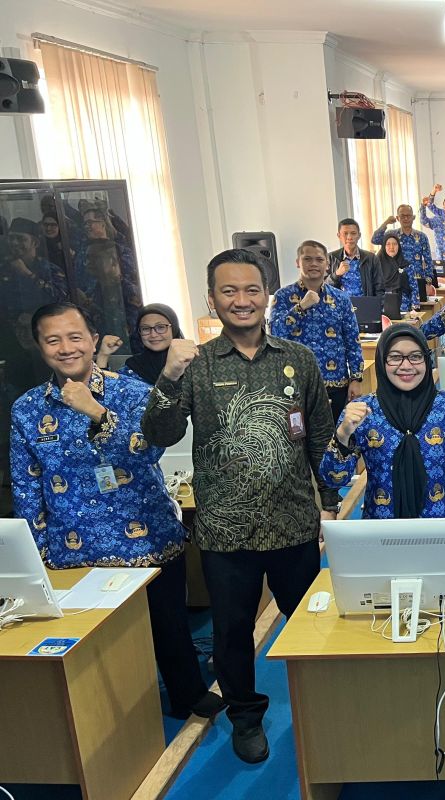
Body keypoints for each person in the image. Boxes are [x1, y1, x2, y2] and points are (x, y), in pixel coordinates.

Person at [141, 249, 339, 764]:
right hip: (226, 532)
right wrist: (168, 377)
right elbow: (160, 434)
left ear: (267, 295)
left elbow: (319, 434)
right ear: (212, 299)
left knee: (313, 619)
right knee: (231, 633)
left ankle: (325, 701)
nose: (242, 300)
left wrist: (330, 500)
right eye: (229, 291)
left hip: (293, 522)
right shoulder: (196, 364)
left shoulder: (299, 358)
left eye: (251, 289)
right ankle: (245, 716)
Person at [10, 301, 223, 721]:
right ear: (39, 346)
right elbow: (26, 486)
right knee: (100, 651)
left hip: (147, 537)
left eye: (75, 337)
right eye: (53, 340)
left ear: (93, 341)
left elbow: (148, 452)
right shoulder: (28, 409)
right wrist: (37, 554)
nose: (66, 348)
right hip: (74, 549)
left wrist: (96, 412)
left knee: (170, 627)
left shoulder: (132, 392)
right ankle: (119, 721)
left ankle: (187, 692)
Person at [321, 324, 445, 518]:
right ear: (382, 361)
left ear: (426, 360)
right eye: (395, 357)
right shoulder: (363, 411)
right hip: (382, 528)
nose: (406, 366)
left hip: (442, 525)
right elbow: (334, 480)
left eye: (415, 356)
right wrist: (342, 435)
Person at [269, 240, 364, 423]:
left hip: (335, 382)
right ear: (298, 262)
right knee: (299, 435)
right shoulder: (283, 296)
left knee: (336, 434)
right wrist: (300, 307)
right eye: (307, 259)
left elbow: (352, 340)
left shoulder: (341, 298)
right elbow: (275, 335)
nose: (313, 264)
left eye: (319, 260)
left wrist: (356, 379)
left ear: (327, 264)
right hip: (296, 384)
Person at [96, 303, 184, 385]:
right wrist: (103, 355)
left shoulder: (188, 362)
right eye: (145, 329)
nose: (153, 335)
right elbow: (106, 391)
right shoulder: (133, 367)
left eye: (161, 327)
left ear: (174, 329)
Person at [370, 204, 436, 286]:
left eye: (408, 216)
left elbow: (428, 261)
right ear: (398, 218)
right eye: (402, 216)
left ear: (413, 217)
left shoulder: (422, 237)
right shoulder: (391, 235)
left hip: (417, 281)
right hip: (395, 282)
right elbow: (375, 240)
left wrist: (428, 282)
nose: (406, 218)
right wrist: (386, 223)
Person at [327, 219, 385, 297]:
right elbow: (322, 286)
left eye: (353, 233)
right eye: (345, 233)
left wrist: (377, 304)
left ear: (359, 235)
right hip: (340, 303)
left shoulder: (371, 258)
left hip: (366, 302)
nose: (349, 237)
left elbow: (379, 288)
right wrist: (336, 274)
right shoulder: (331, 258)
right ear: (339, 236)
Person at [376, 232, 421, 311]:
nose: (391, 247)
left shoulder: (407, 266)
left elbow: (414, 289)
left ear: (399, 246)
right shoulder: (377, 266)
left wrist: (415, 309)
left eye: (395, 244)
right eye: (388, 244)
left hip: (404, 307)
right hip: (382, 307)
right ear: (384, 247)